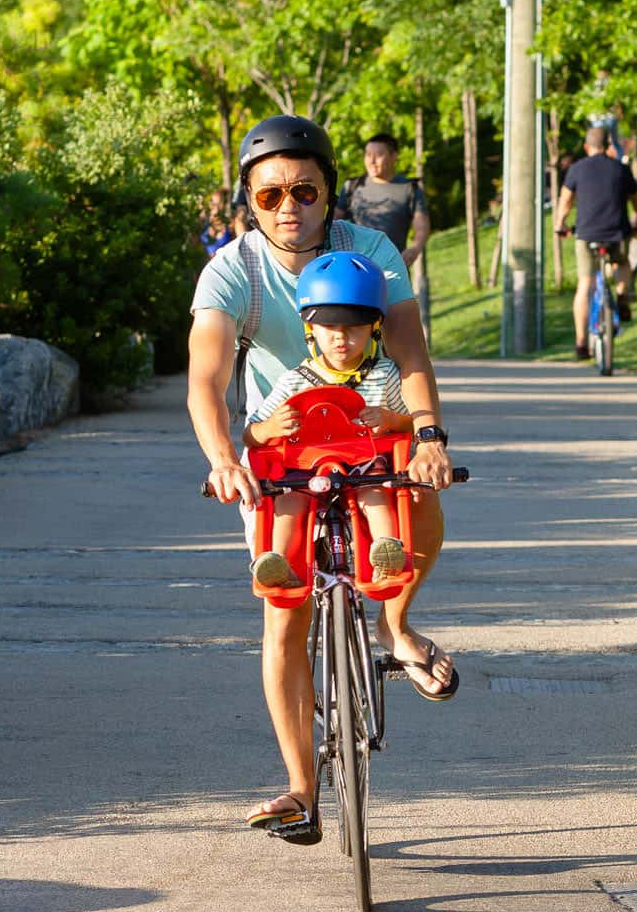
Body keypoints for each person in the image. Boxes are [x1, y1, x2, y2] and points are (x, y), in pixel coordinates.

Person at [187, 114, 456, 836]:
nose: (288, 208)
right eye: (269, 195)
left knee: (418, 499)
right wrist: (223, 461)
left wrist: (427, 434)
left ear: (331, 194)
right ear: (248, 201)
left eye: (304, 191)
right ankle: (302, 790)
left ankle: (397, 629)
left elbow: (409, 352)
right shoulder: (232, 271)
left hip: (373, 429)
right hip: (280, 453)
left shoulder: (368, 250)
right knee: (283, 615)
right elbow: (206, 383)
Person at [244, 251, 412, 588]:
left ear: (374, 327)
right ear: (310, 328)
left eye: (353, 327)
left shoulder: (385, 374)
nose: (340, 337)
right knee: (290, 501)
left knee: (374, 491)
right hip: (305, 470)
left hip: (363, 466)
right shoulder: (294, 381)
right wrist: (271, 427)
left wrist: (390, 419)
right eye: (329, 326)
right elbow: (252, 435)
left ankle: (385, 553)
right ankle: (279, 562)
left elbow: (411, 425)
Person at [555, 125, 637, 360]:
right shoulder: (621, 169)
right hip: (617, 232)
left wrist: (560, 225)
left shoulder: (576, 170)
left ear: (587, 147)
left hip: (585, 235)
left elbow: (565, 203)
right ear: (608, 146)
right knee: (623, 264)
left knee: (585, 284)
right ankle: (623, 296)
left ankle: (581, 343)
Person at [334, 133, 430, 269]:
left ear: (394, 156)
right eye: (368, 155)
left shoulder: (409, 188)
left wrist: (415, 248)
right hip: (353, 271)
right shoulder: (352, 186)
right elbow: (333, 220)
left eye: (378, 155)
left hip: (392, 271)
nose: (371, 161)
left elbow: (421, 224)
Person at [198, 188, 235, 257]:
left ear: (225, 205)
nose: (216, 208)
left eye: (219, 204)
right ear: (209, 204)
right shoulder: (203, 224)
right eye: (213, 203)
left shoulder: (231, 225)